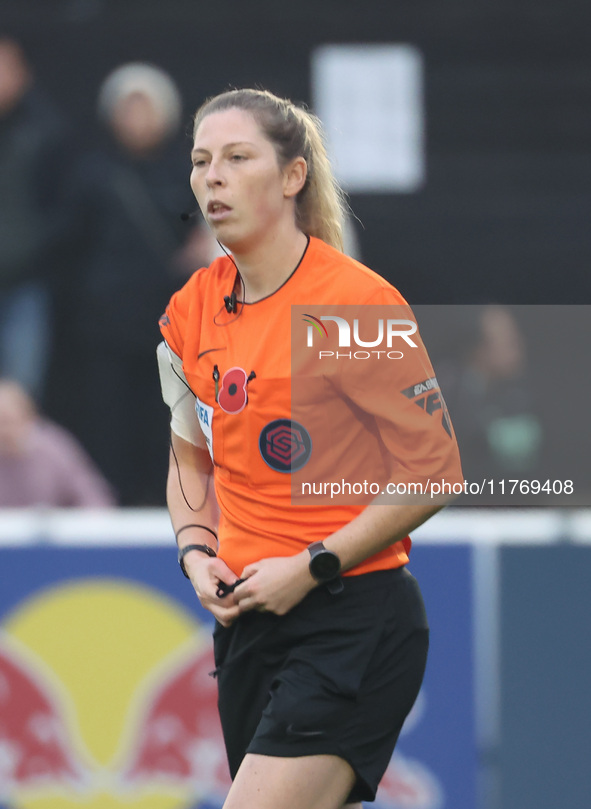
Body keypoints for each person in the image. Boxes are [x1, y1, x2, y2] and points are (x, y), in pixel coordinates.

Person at [157, 88, 463, 809]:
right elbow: (188, 457)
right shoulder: (187, 310)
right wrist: (196, 551)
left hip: (352, 615)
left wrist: (311, 564)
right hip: (247, 627)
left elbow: (434, 470)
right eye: (201, 161)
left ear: (292, 176)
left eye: (237, 157)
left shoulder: (355, 304)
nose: (212, 177)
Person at [65, 63, 202, 505]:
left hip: (170, 319)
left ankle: (165, 499)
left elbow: (204, 232)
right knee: (109, 415)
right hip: (106, 319)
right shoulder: (92, 174)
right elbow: (73, 239)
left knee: (165, 414)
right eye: (128, 109)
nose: (137, 120)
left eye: (146, 108)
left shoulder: (189, 175)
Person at [0, 34, 71, 402]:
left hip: (26, 283)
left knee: (22, 395)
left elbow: (63, 206)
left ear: (23, 74)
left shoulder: (46, 131)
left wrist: (34, 250)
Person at [0, 379, 115, 508]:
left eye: (7, 420)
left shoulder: (52, 448)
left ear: (28, 417)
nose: (4, 430)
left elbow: (94, 498)